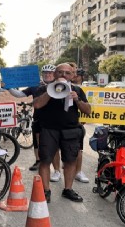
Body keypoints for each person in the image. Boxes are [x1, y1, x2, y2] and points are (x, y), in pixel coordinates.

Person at [33, 63, 91, 203]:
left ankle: (68, 189)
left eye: (67, 73)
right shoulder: (43, 89)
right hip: (48, 130)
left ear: (72, 75)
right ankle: (46, 191)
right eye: (60, 72)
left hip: (70, 130)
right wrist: (51, 91)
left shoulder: (77, 89)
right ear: (55, 74)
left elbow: (88, 110)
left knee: (70, 161)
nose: (63, 75)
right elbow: (37, 105)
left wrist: (76, 99)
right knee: (45, 160)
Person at [6, 64, 63, 181]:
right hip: (39, 119)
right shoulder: (35, 86)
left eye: (50, 73)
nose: (47, 75)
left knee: (55, 147)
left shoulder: (60, 85)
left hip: (54, 121)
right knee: (39, 145)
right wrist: (9, 86)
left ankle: (57, 170)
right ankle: (41, 165)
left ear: (55, 74)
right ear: (42, 74)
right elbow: (20, 94)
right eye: (45, 73)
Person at [71, 67, 89, 183]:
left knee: (79, 150)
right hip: (66, 122)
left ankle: (78, 171)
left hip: (78, 122)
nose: (75, 76)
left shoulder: (84, 88)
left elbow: (88, 106)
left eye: (77, 74)